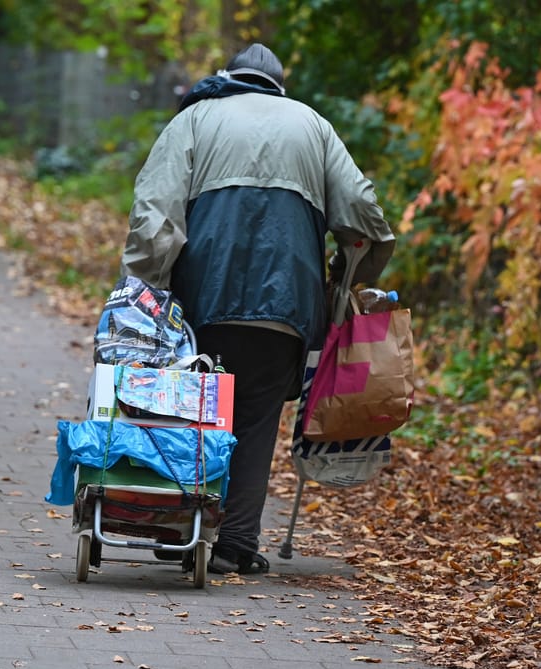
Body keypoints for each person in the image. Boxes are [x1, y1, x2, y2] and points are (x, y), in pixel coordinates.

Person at [119, 43, 396, 575]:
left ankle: (184, 525)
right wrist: (348, 284)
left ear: (228, 76)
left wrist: (141, 293)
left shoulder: (196, 119)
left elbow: (155, 217)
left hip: (204, 298)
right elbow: (365, 219)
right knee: (257, 415)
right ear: (279, 85)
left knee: (194, 406)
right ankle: (235, 542)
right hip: (288, 306)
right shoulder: (313, 127)